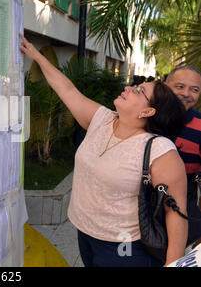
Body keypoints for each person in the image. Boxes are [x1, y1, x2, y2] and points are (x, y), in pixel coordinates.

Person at [19, 34, 188, 267]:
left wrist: (174, 265)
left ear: (148, 112)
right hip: (85, 233)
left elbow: (176, 213)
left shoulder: (160, 150)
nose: (129, 88)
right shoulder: (103, 119)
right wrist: (37, 56)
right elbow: (67, 90)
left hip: (123, 245)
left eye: (139, 91)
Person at [165, 65, 201, 246]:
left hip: (181, 217)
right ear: (165, 86)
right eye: (179, 86)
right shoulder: (144, 116)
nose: (186, 93)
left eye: (194, 90)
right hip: (132, 216)